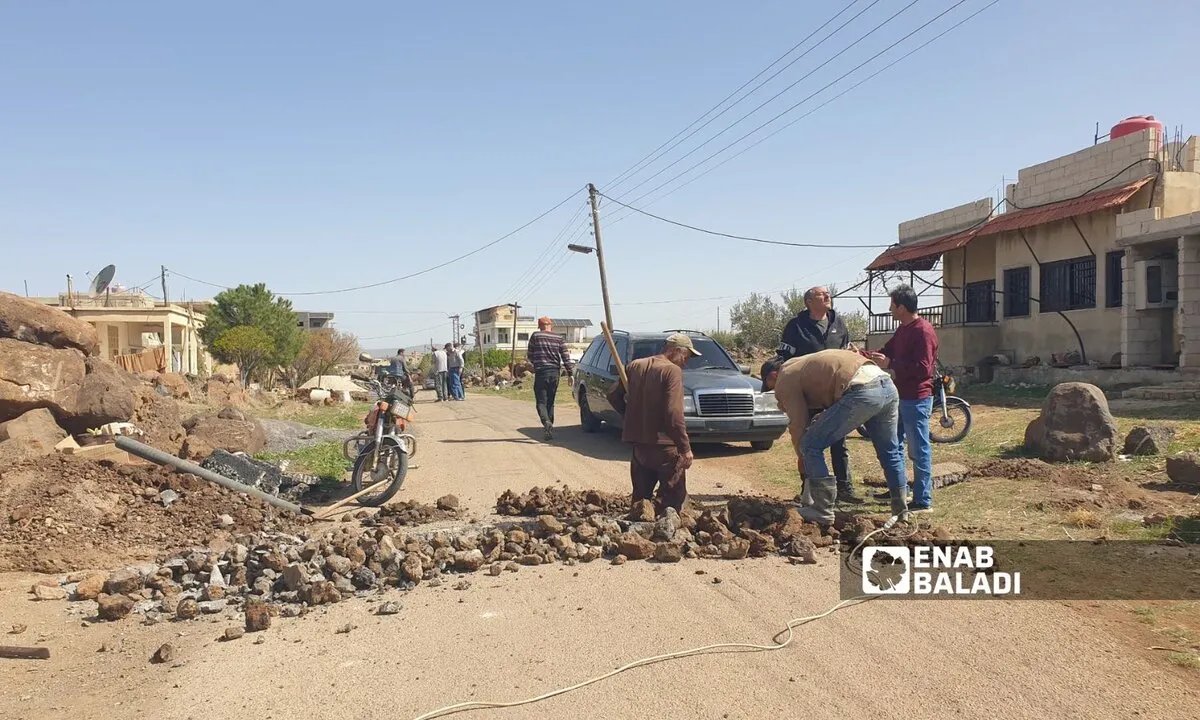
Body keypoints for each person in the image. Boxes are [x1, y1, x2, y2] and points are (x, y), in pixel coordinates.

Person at [760, 350, 908, 524]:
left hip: (861, 391)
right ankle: (900, 512)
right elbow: (832, 385)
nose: (773, 390)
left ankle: (821, 509)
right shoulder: (803, 363)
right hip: (887, 386)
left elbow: (798, 424)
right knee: (889, 452)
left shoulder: (785, 377)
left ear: (773, 375)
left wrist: (803, 458)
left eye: (770, 385)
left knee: (810, 446)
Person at [776, 285, 859, 503]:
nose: (828, 296)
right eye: (822, 295)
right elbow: (785, 358)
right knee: (807, 440)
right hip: (807, 394)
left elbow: (846, 352)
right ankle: (809, 488)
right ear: (809, 302)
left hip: (835, 393)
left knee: (839, 441)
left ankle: (844, 488)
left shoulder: (838, 323)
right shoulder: (795, 327)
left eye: (827, 294)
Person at [606, 333, 699, 514]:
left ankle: (635, 537)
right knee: (672, 503)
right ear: (675, 351)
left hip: (640, 447)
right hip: (665, 448)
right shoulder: (671, 370)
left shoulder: (635, 366)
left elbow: (612, 395)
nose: (685, 362)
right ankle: (666, 539)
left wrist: (631, 415)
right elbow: (673, 413)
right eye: (686, 356)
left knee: (641, 503)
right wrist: (685, 447)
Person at [867, 284, 939, 512]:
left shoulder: (923, 331)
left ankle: (923, 499)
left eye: (892, 305)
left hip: (916, 399)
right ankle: (899, 489)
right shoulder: (903, 329)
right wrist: (865, 354)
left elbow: (923, 369)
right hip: (898, 398)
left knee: (919, 449)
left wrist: (891, 365)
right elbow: (887, 351)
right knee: (894, 445)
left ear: (902, 307)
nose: (889, 309)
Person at [526, 318, 573, 440]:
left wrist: (536, 363)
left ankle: (546, 422)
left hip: (541, 372)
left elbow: (530, 354)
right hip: (555, 373)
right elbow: (565, 356)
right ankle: (549, 428)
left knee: (541, 402)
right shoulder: (559, 338)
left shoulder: (536, 336)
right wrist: (570, 373)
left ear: (539, 326)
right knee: (551, 401)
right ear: (550, 326)